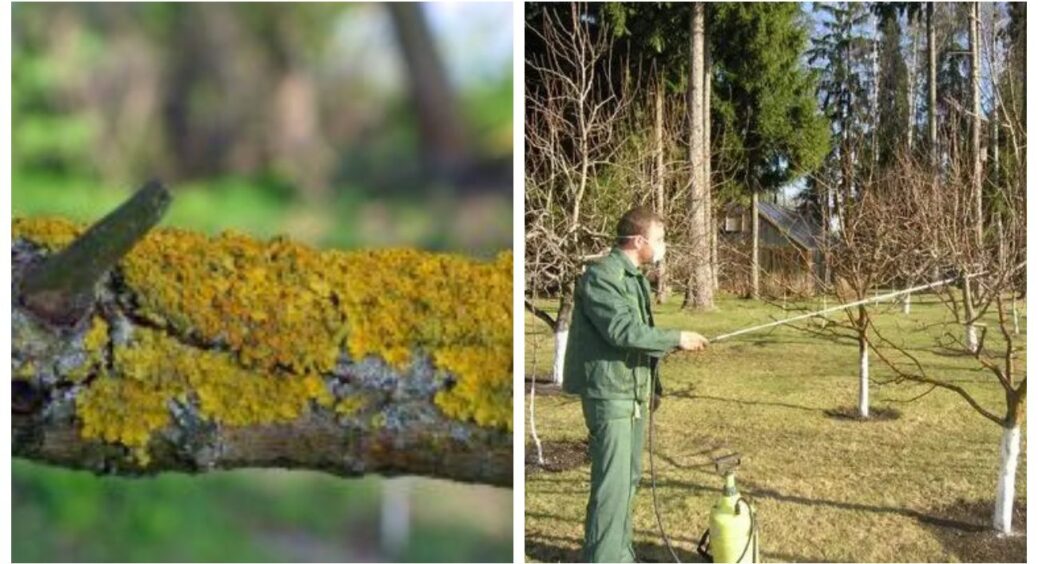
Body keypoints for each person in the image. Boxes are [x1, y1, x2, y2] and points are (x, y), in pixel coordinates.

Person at [563, 205, 709, 563]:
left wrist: (653, 385)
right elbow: (622, 331)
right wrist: (676, 338)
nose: (663, 246)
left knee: (628, 480)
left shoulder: (635, 278)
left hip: (633, 394)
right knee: (611, 487)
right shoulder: (602, 277)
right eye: (660, 239)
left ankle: (620, 554)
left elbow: (638, 336)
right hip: (610, 395)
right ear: (639, 241)